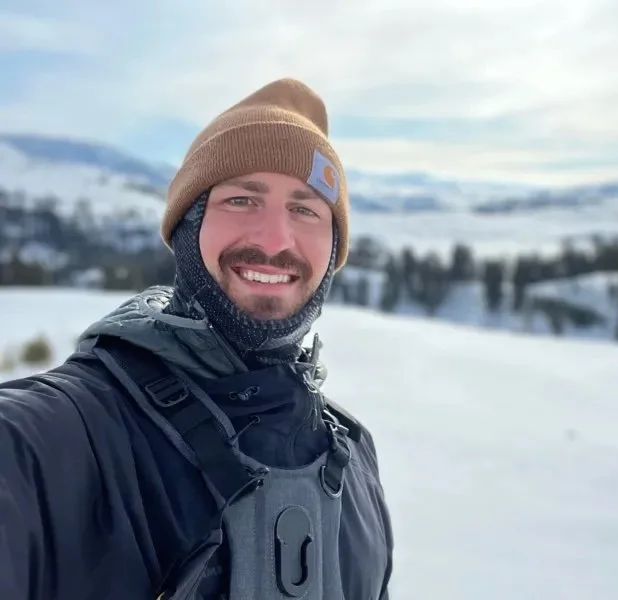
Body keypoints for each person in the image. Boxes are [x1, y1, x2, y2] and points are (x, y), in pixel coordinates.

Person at [0, 78, 394, 600]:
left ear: (333, 246)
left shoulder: (353, 459)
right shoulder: (57, 439)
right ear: (188, 225)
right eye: (241, 199)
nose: (275, 240)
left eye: (306, 209)